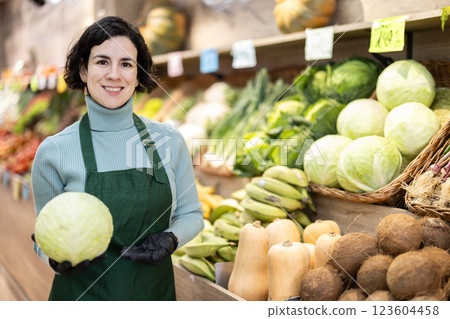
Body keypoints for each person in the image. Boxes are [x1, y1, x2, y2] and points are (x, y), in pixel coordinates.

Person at [31, 16, 204, 301]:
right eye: (102, 62)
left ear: (138, 75)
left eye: (126, 64)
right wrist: (53, 260)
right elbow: (43, 235)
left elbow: (191, 215)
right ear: (83, 70)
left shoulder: (169, 141)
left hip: (153, 297)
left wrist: (171, 239)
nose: (114, 74)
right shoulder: (54, 151)